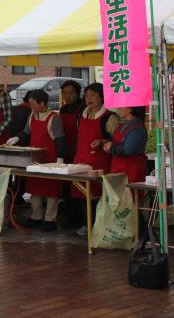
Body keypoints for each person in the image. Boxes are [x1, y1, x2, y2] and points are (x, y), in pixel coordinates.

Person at [7, 89, 67, 231]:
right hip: (35, 158)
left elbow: (59, 139)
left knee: (51, 190)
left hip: (50, 159)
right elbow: (27, 132)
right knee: (35, 188)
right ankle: (36, 216)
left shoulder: (54, 118)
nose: (31, 107)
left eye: (33, 104)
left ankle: (50, 220)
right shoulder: (32, 116)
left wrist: (60, 157)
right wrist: (17, 137)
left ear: (43, 104)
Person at [73, 82, 118, 235]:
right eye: (87, 96)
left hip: (99, 161)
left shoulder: (109, 117)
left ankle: (98, 225)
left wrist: (101, 141)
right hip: (81, 159)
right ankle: (86, 224)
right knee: (79, 193)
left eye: (93, 95)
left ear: (101, 98)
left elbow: (116, 140)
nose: (89, 99)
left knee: (96, 194)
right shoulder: (82, 115)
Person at [103, 106, 148, 183]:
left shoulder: (137, 128)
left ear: (130, 109)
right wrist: (107, 145)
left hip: (131, 172)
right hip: (118, 170)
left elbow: (127, 150)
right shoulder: (123, 124)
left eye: (121, 107)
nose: (118, 109)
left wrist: (112, 147)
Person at [59, 80, 85, 163]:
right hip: (65, 145)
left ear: (77, 93)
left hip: (78, 147)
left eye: (70, 93)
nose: (67, 96)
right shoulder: (63, 109)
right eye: (64, 93)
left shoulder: (84, 108)